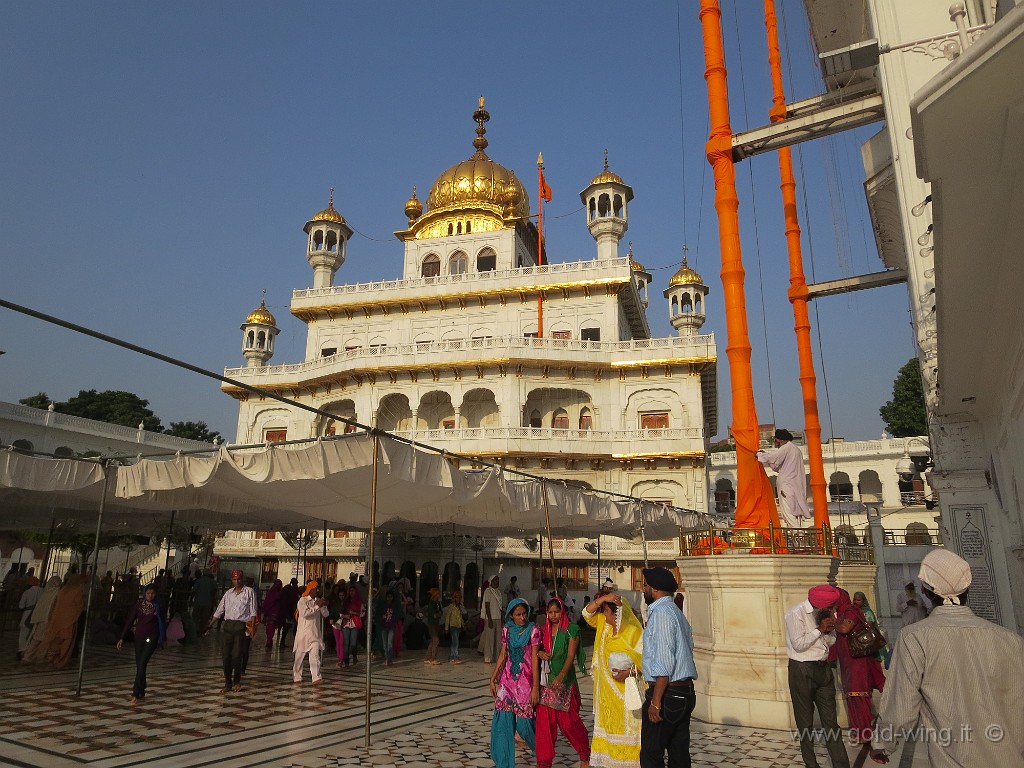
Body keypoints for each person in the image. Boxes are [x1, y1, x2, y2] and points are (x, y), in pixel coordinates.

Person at [874, 549, 1024, 767]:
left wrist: (883, 744)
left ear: (925, 591)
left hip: (955, 759)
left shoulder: (915, 636)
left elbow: (902, 703)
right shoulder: (1010, 639)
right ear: (967, 589)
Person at [785, 584, 851, 768]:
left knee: (831, 722)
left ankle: (841, 764)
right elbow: (798, 644)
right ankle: (811, 764)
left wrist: (829, 631)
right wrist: (819, 630)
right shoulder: (795, 613)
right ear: (820, 606)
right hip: (801, 669)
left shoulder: (829, 615)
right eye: (830, 608)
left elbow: (830, 642)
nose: (833, 611)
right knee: (805, 722)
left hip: (823, 669)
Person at [639, 567, 697, 768]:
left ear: (654, 589)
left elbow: (664, 662)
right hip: (683, 691)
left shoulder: (662, 613)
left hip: (668, 693)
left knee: (651, 753)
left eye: (645, 586)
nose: (642, 590)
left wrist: (656, 702)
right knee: (679, 753)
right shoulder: (675, 611)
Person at [583, 588, 644, 768]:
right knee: (607, 731)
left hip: (626, 693)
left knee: (628, 733)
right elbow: (586, 613)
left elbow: (645, 661)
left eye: (606, 610)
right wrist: (604, 599)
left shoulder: (633, 632)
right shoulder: (603, 626)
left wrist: (629, 671)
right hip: (606, 694)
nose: (603, 614)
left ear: (614, 612)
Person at [535, 596, 590, 768]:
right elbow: (537, 651)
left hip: (564, 683)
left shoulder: (571, 629)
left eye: (556, 612)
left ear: (562, 611)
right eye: (550, 612)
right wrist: (539, 654)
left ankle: (584, 755)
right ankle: (544, 762)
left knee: (569, 724)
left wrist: (561, 676)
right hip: (548, 683)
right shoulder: (543, 631)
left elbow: (570, 655)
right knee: (544, 726)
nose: (553, 615)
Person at [488, 597, 541, 768]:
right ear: (511, 616)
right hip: (507, 681)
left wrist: (535, 687)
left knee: (525, 723)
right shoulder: (507, 631)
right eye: (518, 614)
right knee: (502, 722)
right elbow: (503, 655)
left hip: (526, 682)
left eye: (524, 613)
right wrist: (492, 679)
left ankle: (542, 751)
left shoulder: (533, 630)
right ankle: (503, 763)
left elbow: (534, 658)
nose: (522, 618)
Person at [832, 589, 886, 755]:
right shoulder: (842, 611)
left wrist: (831, 622)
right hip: (848, 661)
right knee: (852, 695)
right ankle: (857, 730)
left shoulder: (850, 610)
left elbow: (845, 629)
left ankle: (865, 731)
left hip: (858, 662)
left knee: (859, 694)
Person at [206, 569, 258, 693]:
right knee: (226, 656)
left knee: (236, 655)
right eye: (234, 579)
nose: (236, 581)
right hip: (228, 626)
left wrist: (251, 629)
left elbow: (253, 612)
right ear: (231, 580)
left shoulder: (249, 592)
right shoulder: (228, 593)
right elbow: (219, 610)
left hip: (241, 627)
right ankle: (227, 683)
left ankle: (237, 682)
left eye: (238, 579)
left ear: (242, 579)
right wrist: (209, 625)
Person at [117, 583, 166, 705]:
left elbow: (162, 622)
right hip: (138, 637)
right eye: (148, 593)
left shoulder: (158, 606)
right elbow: (130, 621)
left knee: (143, 662)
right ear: (145, 593)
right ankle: (142, 688)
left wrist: (162, 639)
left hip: (152, 638)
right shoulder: (139, 605)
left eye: (153, 593)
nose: (150, 595)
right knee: (139, 664)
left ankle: (135, 692)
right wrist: (122, 637)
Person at [756, 428, 811, 527]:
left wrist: (758, 454)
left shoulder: (786, 447)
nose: (776, 444)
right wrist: (765, 456)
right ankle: (798, 538)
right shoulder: (796, 450)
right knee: (794, 511)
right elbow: (777, 465)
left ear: (781, 439)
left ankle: (799, 536)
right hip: (795, 484)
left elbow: (772, 457)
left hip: (787, 484)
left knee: (788, 512)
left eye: (776, 441)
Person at [39, 575, 87, 669]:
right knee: (65, 643)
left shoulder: (62, 590)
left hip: (57, 621)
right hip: (69, 621)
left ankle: (51, 659)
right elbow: (79, 605)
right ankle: (59, 662)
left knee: (55, 641)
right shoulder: (76, 591)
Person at [293, 580, 329, 684]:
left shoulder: (318, 600)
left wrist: (323, 605)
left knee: (315, 657)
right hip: (303, 635)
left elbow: (326, 614)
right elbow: (305, 613)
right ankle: (297, 677)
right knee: (299, 658)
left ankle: (316, 678)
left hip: (315, 634)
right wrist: (317, 606)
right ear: (310, 589)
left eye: (318, 589)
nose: (317, 591)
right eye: (316, 589)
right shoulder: (302, 601)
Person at [20, 575, 61, 663]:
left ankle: (27, 655)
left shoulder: (46, 592)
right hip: (48, 619)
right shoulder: (56, 592)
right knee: (42, 638)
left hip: (38, 617)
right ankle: (29, 657)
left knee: (34, 637)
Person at [376, 588, 404, 666]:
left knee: (390, 644)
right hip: (384, 626)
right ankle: (387, 659)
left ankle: (389, 659)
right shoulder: (382, 605)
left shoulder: (395, 606)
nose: (389, 598)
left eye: (390, 596)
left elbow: (399, 613)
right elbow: (375, 606)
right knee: (385, 645)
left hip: (391, 626)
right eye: (388, 596)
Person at [16, 575, 41, 661]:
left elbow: (21, 605)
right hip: (37, 614)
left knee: (23, 634)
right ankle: (29, 653)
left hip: (27, 614)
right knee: (33, 634)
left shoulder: (27, 592)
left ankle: (22, 651)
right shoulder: (42, 591)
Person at [481, 575, 504, 664]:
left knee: (498, 639)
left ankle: (497, 657)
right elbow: (487, 605)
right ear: (491, 581)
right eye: (495, 580)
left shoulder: (498, 592)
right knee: (489, 639)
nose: (497, 582)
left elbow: (500, 607)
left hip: (498, 617)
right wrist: (489, 619)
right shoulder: (488, 591)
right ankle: (488, 657)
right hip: (490, 618)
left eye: (498, 580)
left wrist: (502, 619)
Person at [327, 583, 348, 668]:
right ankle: (339, 659)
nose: (341, 597)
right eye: (340, 595)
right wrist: (331, 619)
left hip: (344, 625)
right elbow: (332, 612)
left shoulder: (347, 604)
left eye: (343, 595)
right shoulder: (336, 603)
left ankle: (341, 660)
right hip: (336, 624)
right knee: (338, 643)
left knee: (341, 643)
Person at [341, 584, 363, 667]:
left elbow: (361, 612)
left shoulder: (359, 600)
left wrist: (352, 612)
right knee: (346, 643)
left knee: (353, 643)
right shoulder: (346, 601)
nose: (351, 593)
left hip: (354, 623)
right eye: (350, 591)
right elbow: (342, 610)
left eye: (353, 591)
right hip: (346, 623)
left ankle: (354, 655)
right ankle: (346, 662)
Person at [443, 589, 467, 664]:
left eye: (459, 598)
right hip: (453, 626)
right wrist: (446, 628)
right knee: (455, 642)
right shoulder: (451, 606)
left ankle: (453, 656)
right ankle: (454, 657)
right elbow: (448, 617)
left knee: (456, 642)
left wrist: (463, 625)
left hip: (458, 626)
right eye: (457, 597)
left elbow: (460, 617)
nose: (458, 599)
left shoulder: (459, 607)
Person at [422, 587, 444, 665]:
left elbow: (441, 612)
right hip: (431, 623)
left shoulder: (437, 602)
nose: (439, 595)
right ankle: (432, 658)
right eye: (438, 594)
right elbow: (433, 615)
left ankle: (427, 657)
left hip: (436, 623)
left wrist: (438, 614)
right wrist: (438, 614)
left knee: (433, 641)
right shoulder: (431, 603)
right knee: (436, 640)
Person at [278, 577, 300, 648]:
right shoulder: (289, 589)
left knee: (289, 628)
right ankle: (284, 642)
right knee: (288, 627)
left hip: (290, 611)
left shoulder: (291, 589)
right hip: (289, 611)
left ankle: (287, 641)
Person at [262, 578, 283, 649]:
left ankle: (269, 640)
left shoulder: (280, 592)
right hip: (269, 612)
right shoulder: (271, 592)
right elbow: (267, 601)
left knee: (271, 627)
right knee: (269, 628)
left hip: (275, 613)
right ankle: (269, 640)